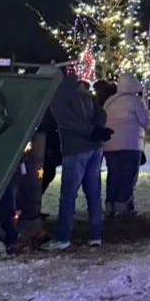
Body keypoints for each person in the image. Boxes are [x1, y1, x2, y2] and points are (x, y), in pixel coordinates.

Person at [48, 71, 112, 249]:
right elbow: (101, 113)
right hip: (95, 147)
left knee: (68, 195)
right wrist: (97, 130)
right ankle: (95, 235)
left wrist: (91, 131)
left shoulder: (58, 95)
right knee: (94, 193)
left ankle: (63, 237)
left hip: (76, 148)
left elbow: (67, 123)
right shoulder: (83, 91)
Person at [104, 72, 149, 216]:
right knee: (127, 176)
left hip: (110, 144)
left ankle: (110, 205)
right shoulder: (136, 101)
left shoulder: (110, 101)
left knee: (113, 175)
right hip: (130, 144)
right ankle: (122, 206)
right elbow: (146, 122)